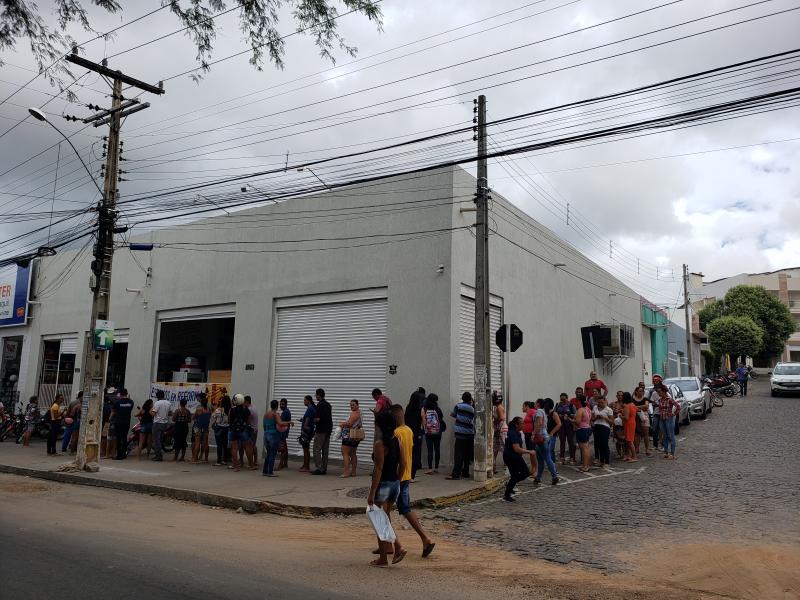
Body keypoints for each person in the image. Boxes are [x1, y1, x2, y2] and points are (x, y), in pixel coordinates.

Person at [389, 404, 435, 558]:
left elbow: (395, 456)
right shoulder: (408, 430)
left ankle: (391, 544)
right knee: (405, 508)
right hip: (406, 475)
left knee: (385, 511)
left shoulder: (395, 433)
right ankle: (424, 539)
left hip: (396, 476)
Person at [367, 410, 405, 567]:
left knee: (378, 519)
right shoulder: (397, 441)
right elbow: (403, 464)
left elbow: (378, 469)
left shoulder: (380, 445)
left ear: (380, 426)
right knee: (384, 518)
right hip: (394, 483)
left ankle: (388, 554)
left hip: (383, 485)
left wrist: (371, 493)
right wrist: (398, 480)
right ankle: (395, 548)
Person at [503, 417, 536, 502]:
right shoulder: (513, 433)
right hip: (511, 457)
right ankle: (508, 490)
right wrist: (529, 451)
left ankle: (509, 489)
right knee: (524, 473)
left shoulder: (517, 433)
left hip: (514, 456)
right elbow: (517, 449)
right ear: (516, 425)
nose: (523, 425)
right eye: (522, 423)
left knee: (517, 475)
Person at [447, 392, 475, 480]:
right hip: (469, 433)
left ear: (462, 398)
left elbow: (453, 415)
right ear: (470, 399)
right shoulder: (472, 408)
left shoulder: (458, 406)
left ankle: (456, 474)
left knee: (458, 454)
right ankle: (465, 472)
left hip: (459, 433)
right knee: (467, 454)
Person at [532, 399, 559, 485]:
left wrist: (534, 433)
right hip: (544, 437)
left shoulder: (539, 411)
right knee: (540, 458)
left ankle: (554, 476)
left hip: (541, 437)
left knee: (547, 457)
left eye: (535, 402)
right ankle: (538, 477)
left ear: (538, 404)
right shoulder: (544, 412)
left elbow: (539, 423)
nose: (534, 403)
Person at [229, 393, 255, 471]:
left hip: (233, 430)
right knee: (248, 447)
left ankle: (235, 466)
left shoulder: (232, 409)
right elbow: (248, 421)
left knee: (234, 448)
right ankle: (251, 465)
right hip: (243, 430)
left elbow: (229, 420)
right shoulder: (246, 409)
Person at [262, 399, 287, 477]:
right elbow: (280, 423)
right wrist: (289, 422)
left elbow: (264, 426)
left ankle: (265, 471)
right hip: (273, 435)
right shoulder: (275, 414)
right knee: (272, 454)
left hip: (266, 435)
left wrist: (267, 432)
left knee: (268, 453)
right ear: (277, 406)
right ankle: (270, 472)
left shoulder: (266, 414)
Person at [405, 388, 425, 481]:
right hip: (417, 433)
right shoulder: (421, 408)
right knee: (416, 454)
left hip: (408, 432)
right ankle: (412, 476)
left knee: (408, 453)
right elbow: (423, 422)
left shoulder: (408, 407)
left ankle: (406, 474)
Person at [340, 399, 363, 478]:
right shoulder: (359, 412)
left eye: (353, 405)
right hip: (355, 435)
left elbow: (350, 423)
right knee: (353, 453)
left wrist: (342, 424)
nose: (351, 406)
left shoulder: (355, 413)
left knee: (345, 453)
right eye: (351, 405)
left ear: (357, 405)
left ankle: (346, 472)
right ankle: (353, 472)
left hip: (349, 435)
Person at [312, 388, 332, 475]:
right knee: (325, 449)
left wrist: (312, 420)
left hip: (320, 430)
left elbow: (318, 419)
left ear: (318, 395)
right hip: (328, 430)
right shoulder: (328, 405)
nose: (315, 397)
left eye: (316, 395)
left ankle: (319, 468)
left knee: (316, 449)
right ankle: (324, 468)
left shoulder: (319, 405)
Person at [657, 385, 681, 460]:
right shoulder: (660, 400)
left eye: (660, 392)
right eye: (658, 392)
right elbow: (660, 409)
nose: (658, 393)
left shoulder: (670, 399)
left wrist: (673, 414)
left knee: (671, 436)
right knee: (665, 436)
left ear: (664, 391)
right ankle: (666, 452)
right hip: (662, 419)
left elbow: (678, 406)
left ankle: (672, 453)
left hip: (669, 419)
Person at [422, 393, 444, 474]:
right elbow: (441, 417)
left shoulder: (425, 409)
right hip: (438, 432)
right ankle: (436, 468)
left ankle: (430, 468)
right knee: (437, 449)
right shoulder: (437, 409)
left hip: (428, 432)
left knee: (430, 450)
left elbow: (423, 421)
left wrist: (425, 429)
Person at [591, 395, 614, 469]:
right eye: (598, 402)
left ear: (605, 402)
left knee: (604, 444)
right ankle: (601, 461)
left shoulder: (609, 409)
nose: (600, 404)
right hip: (596, 426)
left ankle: (606, 462)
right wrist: (596, 417)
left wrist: (604, 417)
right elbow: (592, 419)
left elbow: (612, 421)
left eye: (601, 402)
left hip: (605, 427)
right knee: (598, 444)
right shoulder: (595, 407)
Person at [571, 395, 592, 472]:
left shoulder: (580, 409)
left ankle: (585, 466)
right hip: (587, 428)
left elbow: (577, 422)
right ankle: (586, 465)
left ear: (579, 402)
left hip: (582, 429)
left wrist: (570, 419)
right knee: (586, 447)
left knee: (584, 448)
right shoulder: (588, 409)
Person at [111, 389, 134, 460]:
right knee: (124, 438)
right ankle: (124, 454)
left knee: (118, 438)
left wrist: (110, 418)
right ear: (127, 394)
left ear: (120, 394)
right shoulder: (131, 402)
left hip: (118, 422)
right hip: (126, 422)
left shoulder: (117, 402)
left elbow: (113, 411)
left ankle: (119, 455)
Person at [151, 390, 172, 462]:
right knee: (160, 440)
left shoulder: (157, 403)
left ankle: (158, 456)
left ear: (157, 396)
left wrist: (150, 410)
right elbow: (170, 413)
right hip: (165, 423)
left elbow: (153, 414)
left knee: (156, 441)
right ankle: (159, 455)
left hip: (157, 423)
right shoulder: (168, 403)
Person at [555, 393, 576, 464]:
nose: (562, 401)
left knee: (571, 442)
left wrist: (568, 415)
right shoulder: (557, 405)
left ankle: (572, 458)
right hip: (561, 426)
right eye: (561, 399)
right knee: (562, 442)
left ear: (567, 399)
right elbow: (554, 414)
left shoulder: (571, 405)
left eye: (563, 399)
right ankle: (562, 458)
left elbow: (575, 415)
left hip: (569, 426)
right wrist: (559, 416)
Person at [211, 395, 231, 466]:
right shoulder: (230, 410)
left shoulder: (218, 410)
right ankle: (224, 460)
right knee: (225, 444)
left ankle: (218, 461)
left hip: (219, 428)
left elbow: (213, 416)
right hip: (226, 428)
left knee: (219, 445)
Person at [191, 395, 211, 463]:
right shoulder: (209, 409)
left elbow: (193, 417)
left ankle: (195, 459)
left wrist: (195, 417)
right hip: (205, 427)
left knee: (197, 443)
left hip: (198, 427)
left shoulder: (199, 408)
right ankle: (206, 458)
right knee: (206, 443)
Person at [298, 395, 316, 472]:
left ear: (309, 401)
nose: (304, 402)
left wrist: (304, 427)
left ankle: (306, 466)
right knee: (305, 448)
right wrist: (303, 419)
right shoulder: (311, 408)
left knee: (306, 449)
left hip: (307, 431)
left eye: (305, 400)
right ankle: (305, 464)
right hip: (309, 430)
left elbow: (308, 419)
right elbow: (309, 419)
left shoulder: (310, 409)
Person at [491, 391, 507, 474]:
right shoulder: (498, 407)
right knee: (495, 448)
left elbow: (501, 418)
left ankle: (507, 466)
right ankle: (493, 467)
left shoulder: (499, 407)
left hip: (500, 430)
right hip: (499, 429)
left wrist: (495, 420)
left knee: (503, 448)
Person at [633, 386, 651, 457]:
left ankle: (647, 449)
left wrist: (637, 407)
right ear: (636, 392)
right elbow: (632, 407)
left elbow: (646, 406)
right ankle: (637, 448)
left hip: (644, 416)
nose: (641, 392)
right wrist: (641, 407)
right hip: (635, 416)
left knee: (646, 433)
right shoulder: (633, 399)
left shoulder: (645, 399)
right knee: (637, 433)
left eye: (642, 391)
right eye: (640, 391)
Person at [521, 400, 537, 475]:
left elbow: (537, 421)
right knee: (531, 452)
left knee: (533, 452)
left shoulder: (532, 411)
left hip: (531, 434)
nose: (522, 408)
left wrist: (534, 433)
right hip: (527, 434)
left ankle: (535, 469)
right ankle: (533, 468)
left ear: (527, 406)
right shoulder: (528, 413)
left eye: (523, 406)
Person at [649, 375, 664, 450]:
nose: (655, 383)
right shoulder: (653, 392)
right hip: (656, 413)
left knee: (662, 429)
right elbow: (651, 401)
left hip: (663, 413)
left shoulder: (665, 391)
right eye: (654, 382)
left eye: (656, 382)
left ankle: (663, 445)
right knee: (654, 429)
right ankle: (655, 445)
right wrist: (654, 404)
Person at [622, 392, 638, 462]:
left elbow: (626, 417)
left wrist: (620, 416)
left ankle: (634, 457)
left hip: (628, 424)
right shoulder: (633, 404)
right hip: (632, 422)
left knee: (629, 441)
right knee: (629, 440)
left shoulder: (627, 406)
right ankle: (628, 455)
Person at [277, 398, 292, 471]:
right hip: (284, 431)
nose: (281, 406)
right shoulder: (286, 411)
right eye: (280, 404)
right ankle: (285, 463)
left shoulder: (285, 412)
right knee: (285, 448)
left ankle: (280, 465)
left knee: (282, 448)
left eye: (282, 404)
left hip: (283, 432)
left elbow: (281, 423)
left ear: (286, 404)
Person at [244, 395, 259, 465]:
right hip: (255, 429)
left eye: (244, 402)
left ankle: (251, 462)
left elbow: (248, 421)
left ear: (247, 401)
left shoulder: (249, 410)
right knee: (253, 445)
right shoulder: (254, 408)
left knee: (250, 446)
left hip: (251, 430)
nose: (243, 403)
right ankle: (255, 461)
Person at [101, 392, 114, 458]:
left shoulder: (103, 406)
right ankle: (110, 452)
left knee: (104, 437)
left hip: (105, 423)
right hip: (110, 423)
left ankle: (103, 452)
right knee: (110, 438)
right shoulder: (111, 406)